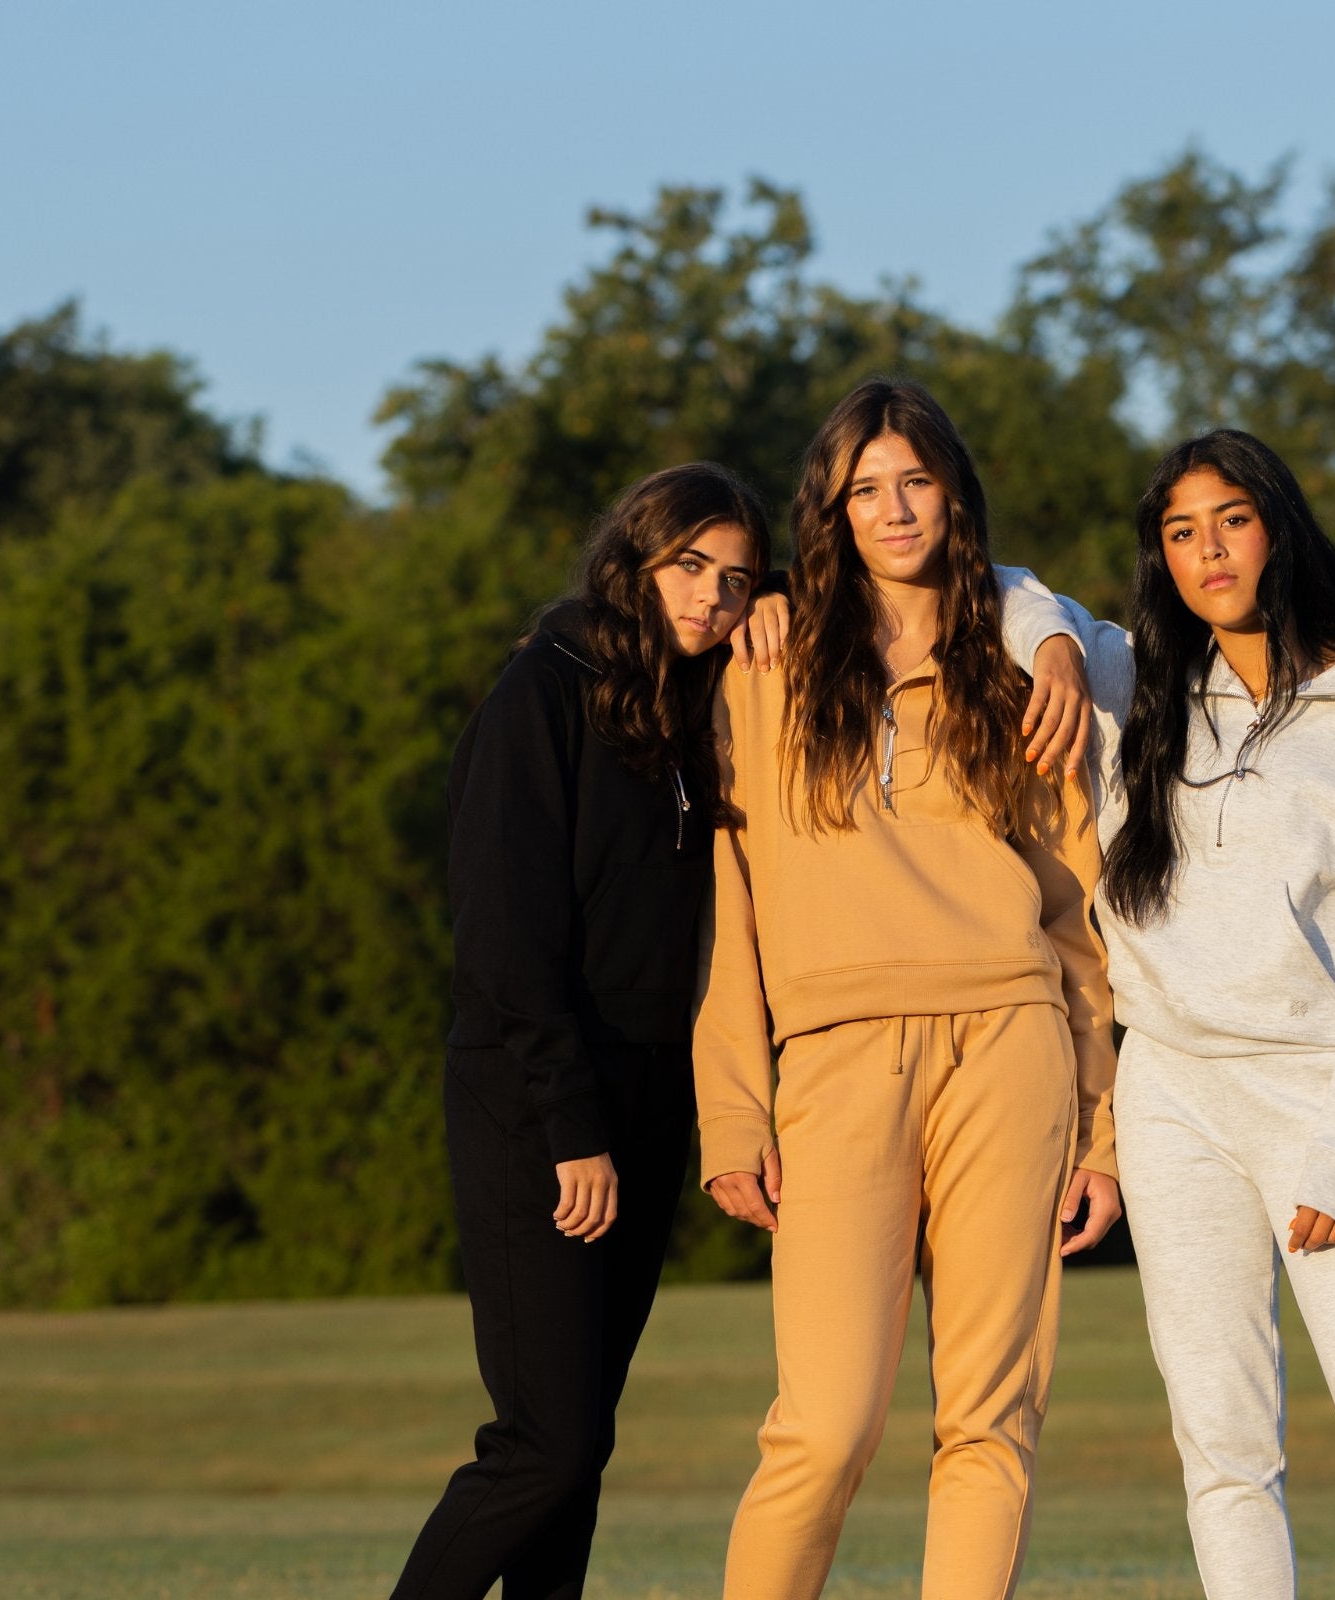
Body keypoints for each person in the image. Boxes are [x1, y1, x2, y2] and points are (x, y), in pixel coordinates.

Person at [1010, 429, 1335, 1599]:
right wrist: (1047, 644)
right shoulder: (1134, 682)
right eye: (1178, 533)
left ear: (1277, 525)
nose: (1206, 550)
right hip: (1172, 1089)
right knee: (1221, 1442)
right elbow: (999, 588)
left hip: (1324, 1096)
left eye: (1227, 519)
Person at [695, 378, 1120, 1600]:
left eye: (915, 482)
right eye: (864, 489)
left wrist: (1103, 1131)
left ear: (952, 494)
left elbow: (1076, 917)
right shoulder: (764, 660)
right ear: (829, 509)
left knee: (988, 1421)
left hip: (1012, 1046)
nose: (893, 509)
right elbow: (725, 911)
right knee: (820, 1426)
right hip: (833, 1059)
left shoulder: (1018, 661)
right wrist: (732, 1110)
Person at [391, 462, 774, 1600]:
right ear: (635, 558)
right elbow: (502, 944)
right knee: (540, 1445)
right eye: (689, 566)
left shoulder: (688, 706)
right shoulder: (543, 692)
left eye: (738, 580)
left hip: (649, 1101)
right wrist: (570, 1127)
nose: (711, 597)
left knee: (581, 1449)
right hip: (538, 1105)